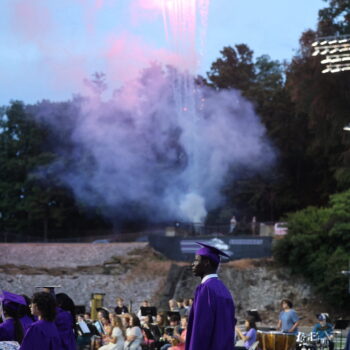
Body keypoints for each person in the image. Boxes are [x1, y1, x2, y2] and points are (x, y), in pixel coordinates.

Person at [185, 242, 236, 350]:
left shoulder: (205, 289)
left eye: (196, 260)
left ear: (206, 262)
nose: (192, 264)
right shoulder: (224, 290)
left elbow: (201, 329)